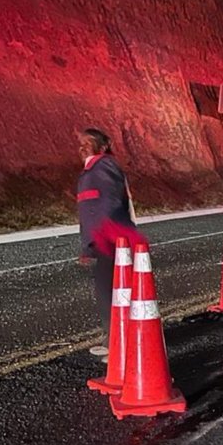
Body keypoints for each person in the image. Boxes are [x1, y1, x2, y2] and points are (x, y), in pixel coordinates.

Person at [76, 128, 140, 357]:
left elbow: (110, 207)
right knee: (108, 293)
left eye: (88, 142)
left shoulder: (103, 167)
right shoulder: (91, 171)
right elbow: (89, 213)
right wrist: (87, 246)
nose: (82, 146)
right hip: (104, 241)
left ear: (102, 147)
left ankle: (120, 346)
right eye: (80, 143)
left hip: (112, 241)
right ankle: (117, 341)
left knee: (112, 293)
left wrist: (107, 241)